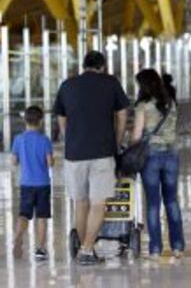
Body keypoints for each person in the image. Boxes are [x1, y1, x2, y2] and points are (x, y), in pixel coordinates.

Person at [53, 51, 130, 265]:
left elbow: (61, 116)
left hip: (74, 154)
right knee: (98, 203)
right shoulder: (110, 82)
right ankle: (87, 250)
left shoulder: (67, 85)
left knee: (80, 202)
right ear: (102, 66)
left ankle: (83, 247)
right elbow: (123, 113)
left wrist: (69, 137)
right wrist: (118, 138)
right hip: (102, 152)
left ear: (83, 65)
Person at [131, 69, 185, 260]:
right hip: (171, 154)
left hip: (151, 157)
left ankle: (155, 249)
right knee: (172, 201)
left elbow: (137, 136)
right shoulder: (170, 102)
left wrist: (131, 144)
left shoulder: (143, 106)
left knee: (153, 203)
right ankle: (177, 246)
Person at [12, 106, 54, 260]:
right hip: (42, 184)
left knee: (24, 214)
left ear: (25, 120)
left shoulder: (19, 139)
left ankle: (18, 236)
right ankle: (40, 249)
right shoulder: (44, 140)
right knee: (42, 217)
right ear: (41, 121)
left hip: (26, 184)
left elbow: (14, 161)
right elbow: (50, 163)